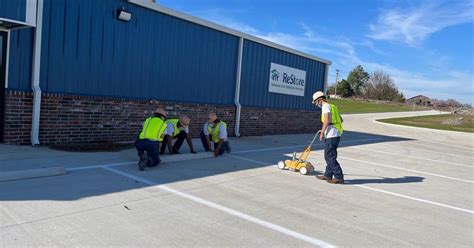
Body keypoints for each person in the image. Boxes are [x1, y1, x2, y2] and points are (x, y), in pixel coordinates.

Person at [312, 91, 344, 184]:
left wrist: (322, 132)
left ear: (320, 100)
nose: (316, 104)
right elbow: (341, 120)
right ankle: (328, 174)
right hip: (336, 134)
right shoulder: (333, 106)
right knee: (331, 155)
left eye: (316, 102)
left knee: (329, 156)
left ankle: (339, 177)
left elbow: (327, 120)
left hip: (331, 135)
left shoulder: (325, 107)